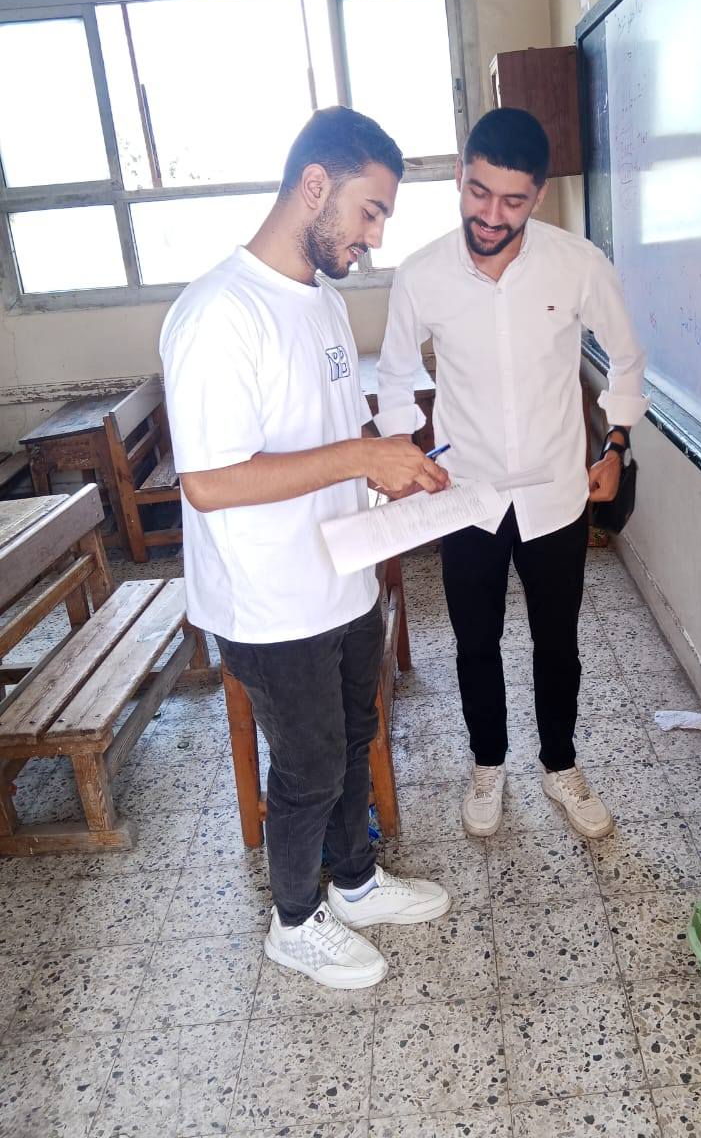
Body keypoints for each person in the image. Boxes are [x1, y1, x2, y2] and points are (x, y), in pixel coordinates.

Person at [160, 106, 452, 991]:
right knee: (309, 764)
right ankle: (293, 920)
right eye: (370, 211)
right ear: (314, 186)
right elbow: (209, 482)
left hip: (341, 572)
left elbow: (327, 433)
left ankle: (354, 881)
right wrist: (361, 458)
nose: (375, 237)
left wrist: (384, 466)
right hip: (268, 598)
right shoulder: (219, 314)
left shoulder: (322, 300)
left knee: (356, 733)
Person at [375, 107, 648, 841]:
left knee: (558, 643)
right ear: (460, 176)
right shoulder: (422, 275)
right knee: (475, 644)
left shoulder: (577, 264)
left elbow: (627, 356)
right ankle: (487, 763)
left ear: (539, 196)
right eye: (478, 192)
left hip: (557, 494)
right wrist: (401, 451)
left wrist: (615, 445)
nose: (491, 216)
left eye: (513, 201)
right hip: (467, 495)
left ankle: (561, 764)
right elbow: (395, 374)